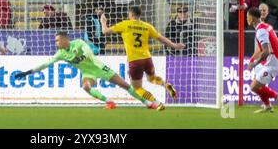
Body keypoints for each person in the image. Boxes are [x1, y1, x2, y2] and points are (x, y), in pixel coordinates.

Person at [14, 32, 165, 110]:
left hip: (100, 68)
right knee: (85, 86)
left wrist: (85, 55)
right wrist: (28, 73)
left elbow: (88, 51)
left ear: (65, 40)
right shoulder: (60, 54)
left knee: (125, 85)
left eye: (57, 40)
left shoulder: (78, 43)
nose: (56, 43)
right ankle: (110, 102)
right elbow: (46, 64)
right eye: (55, 41)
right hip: (88, 73)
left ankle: (147, 103)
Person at [100, 6, 185, 105]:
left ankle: (157, 103)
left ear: (131, 14)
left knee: (137, 88)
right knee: (152, 79)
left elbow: (105, 32)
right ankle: (165, 85)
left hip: (134, 61)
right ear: (139, 15)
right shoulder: (147, 26)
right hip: (147, 59)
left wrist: (103, 22)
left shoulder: (125, 24)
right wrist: (174, 45)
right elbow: (161, 38)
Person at [246, 7, 278, 113]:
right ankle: (267, 106)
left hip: (273, 64)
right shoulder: (265, 26)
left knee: (254, 87)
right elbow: (261, 49)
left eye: (248, 17)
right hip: (270, 61)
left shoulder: (261, 31)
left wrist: (255, 63)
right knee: (257, 83)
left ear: (253, 18)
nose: (247, 19)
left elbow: (266, 51)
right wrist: (252, 59)